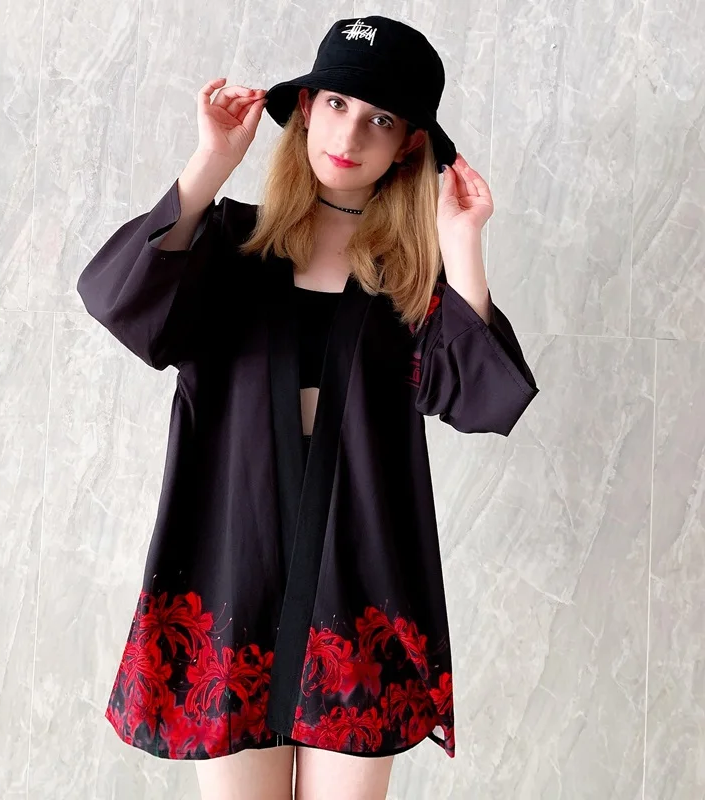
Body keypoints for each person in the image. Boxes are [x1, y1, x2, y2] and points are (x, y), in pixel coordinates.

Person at [76, 15, 539, 800]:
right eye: (335, 103)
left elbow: (481, 399)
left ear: (409, 146)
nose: (350, 134)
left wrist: (462, 245)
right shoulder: (227, 245)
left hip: (361, 597)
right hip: (228, 580)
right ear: (306, 110)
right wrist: (210, 164)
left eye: (380, 119)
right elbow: (121, 301)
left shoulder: (410, 280)